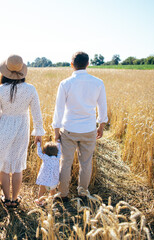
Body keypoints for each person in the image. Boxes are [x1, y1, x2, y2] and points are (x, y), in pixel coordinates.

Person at [0, 54, 45, 208]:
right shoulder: (30, 89)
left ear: (5, 72)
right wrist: (38, 133)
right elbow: (37, 113)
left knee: (3, 164)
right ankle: (14, 200)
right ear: (22, 71)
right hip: (22, 127)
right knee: (17, 166)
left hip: (4, 127)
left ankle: (6, 197)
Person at [52, 51, 108, 201]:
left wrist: (56, 130)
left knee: (65, 162)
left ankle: (63, 194)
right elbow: (102, 107)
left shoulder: (65, 83)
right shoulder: (98, 82)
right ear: (88, 64)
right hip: (89, 129)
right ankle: (83, 193)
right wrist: (101, 126)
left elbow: (59, 109)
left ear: (72, 64)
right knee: (86, 162)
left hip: (68, 129)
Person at [34, 141, 61, 206]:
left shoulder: (45, 157)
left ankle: (40, 201)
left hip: (44, 180)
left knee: (41, 190)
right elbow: (60, 151)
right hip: (54, 180)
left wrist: (38, 144)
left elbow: (39, 153)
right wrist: (58, 143)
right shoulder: (57, 158)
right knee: (53, 190)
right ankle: (52, 199)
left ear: (45, 152)